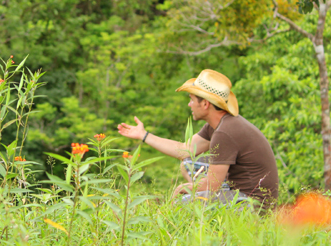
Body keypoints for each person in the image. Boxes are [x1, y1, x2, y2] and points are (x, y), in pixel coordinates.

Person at [117, 69, 279, 209]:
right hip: (236, 189)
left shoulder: (225, 132)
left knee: (183, 203)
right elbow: (185, 150)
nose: (189, 105)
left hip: (252, 204)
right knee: (188, 164)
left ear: (205, 104)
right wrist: (143, 135)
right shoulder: (218, 124)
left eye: (192, 100)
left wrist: (183, 188)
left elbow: (212, 185)